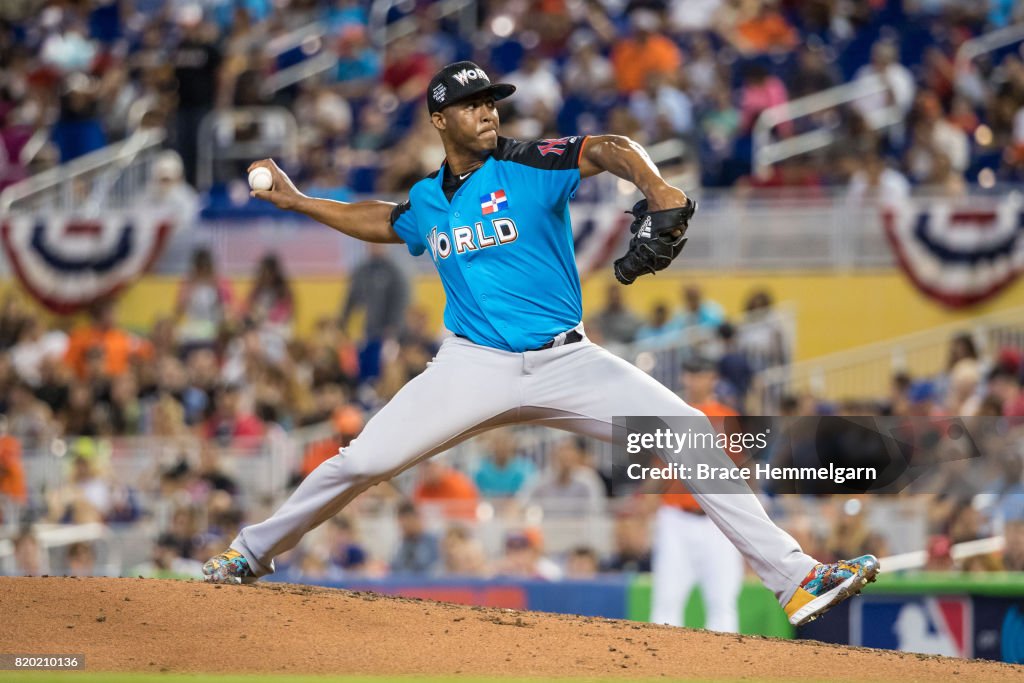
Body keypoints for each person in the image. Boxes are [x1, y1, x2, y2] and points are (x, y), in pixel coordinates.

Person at [203, 60, 878, 628]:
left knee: (689, 431)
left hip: (566, 359)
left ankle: (795, 578)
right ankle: (250, 553)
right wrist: (299, 201)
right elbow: (383, 220)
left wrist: (658, 185)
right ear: (440, 120)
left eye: (490, 102)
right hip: (472, 365)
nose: (487, 113)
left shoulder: (529, 163)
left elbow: (607, 147)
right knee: (362, 460)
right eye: (470, 106)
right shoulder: (430, 200)